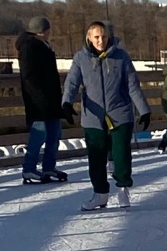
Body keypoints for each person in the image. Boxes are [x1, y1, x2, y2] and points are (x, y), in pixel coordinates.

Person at [62, 19, 150, 211]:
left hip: (120, 113)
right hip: (93, 117)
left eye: (103, 36)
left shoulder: (121, 57)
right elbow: (71, 83)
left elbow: (132, 85)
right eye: (96, 37)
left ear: (109, 37)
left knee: (121, 155)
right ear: (89, 38)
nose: (100, 40)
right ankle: (100, 194)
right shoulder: (80, 58)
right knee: (96, 158)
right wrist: (67, 102)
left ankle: (123, 190)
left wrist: (144, 109)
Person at [15, 16, 67, 183]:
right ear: (42, 31)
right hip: (38, 101)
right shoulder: (29, 47)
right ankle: (29, 168)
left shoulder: (42, 46)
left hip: (50, 99)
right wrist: (39, 97)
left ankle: (49, 166)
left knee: (54, 133)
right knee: (39, 134)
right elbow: (29, 76)